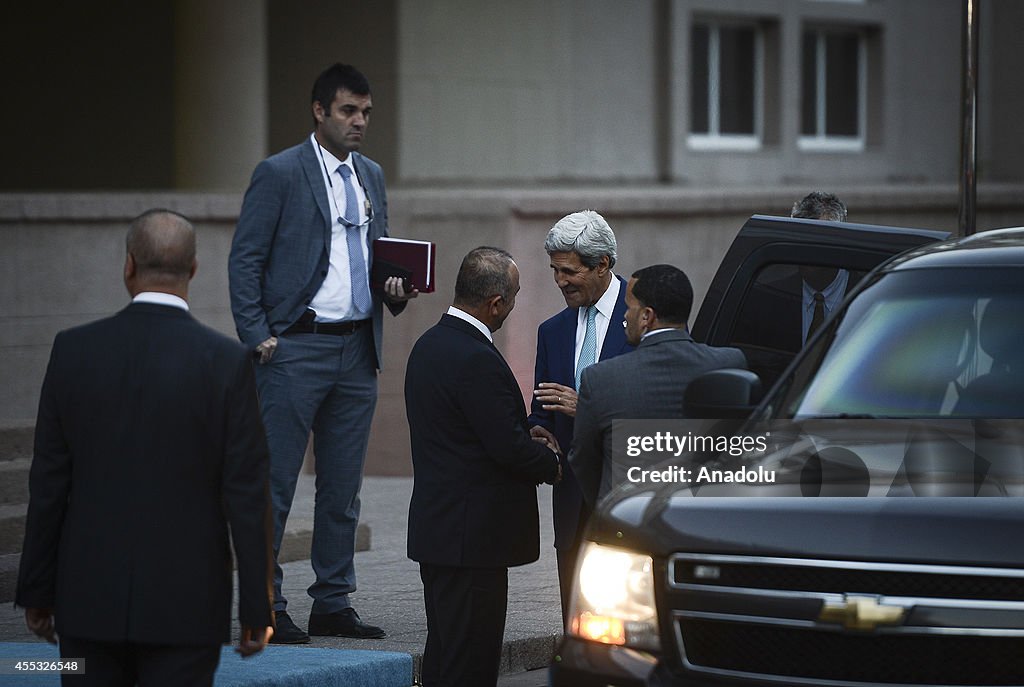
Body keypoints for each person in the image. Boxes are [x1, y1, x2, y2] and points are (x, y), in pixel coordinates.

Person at [16, 209, 274, 686]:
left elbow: (49, 482)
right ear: (194, 270)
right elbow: (247, 494)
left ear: (128, 265)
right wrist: (258, 607)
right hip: (187, 606)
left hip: (88, 601)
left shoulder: (73, 350)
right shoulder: (226, 362)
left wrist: (36, 590)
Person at [228, 63, 415, 643]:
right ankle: (265, 604)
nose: (359, 122)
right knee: (274, 484)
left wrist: (396, 288)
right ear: (319, 111)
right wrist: (258, 334)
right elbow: (246, 259)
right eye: (348, 111)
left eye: (366, 113)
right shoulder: (280, 172)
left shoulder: (372, 176)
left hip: (358, 348)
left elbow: (379, 254)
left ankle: (333, 602)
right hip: (294, 349)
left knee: (342, 490)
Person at [406, 247, 561, 687]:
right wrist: (552, 462)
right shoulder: (475, 356)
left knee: (445, 654)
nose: (511, 308)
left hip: (440, 534)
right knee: (470, 664)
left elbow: (466, 431)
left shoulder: (429, 345)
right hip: (473, 542)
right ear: (496, 303)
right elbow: (506, 448)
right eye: (512, 298)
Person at [527, 210, 633, 619]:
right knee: (577, 621)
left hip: (626, 496)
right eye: (555, 270)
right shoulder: (552, 331)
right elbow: (543, 409)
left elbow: (665, 404)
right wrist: (538, 432)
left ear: (602, 264)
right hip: (572, 504)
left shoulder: (644, 317)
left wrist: (587, 406)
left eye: (569, 271)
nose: (560, 281)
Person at [570, 264, 747, 505]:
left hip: (629, 520)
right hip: (707, 517)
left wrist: (609, 506)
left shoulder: (600, 378)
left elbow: (583, 460)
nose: (624, 315)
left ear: (647, 317)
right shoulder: (731, 362)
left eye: (628, 307)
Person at [732, 191, 850, 385]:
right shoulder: (767, 299)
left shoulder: (871, 292)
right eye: (800, 241)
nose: (804, 252)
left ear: (839, 243)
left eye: (815, 243)